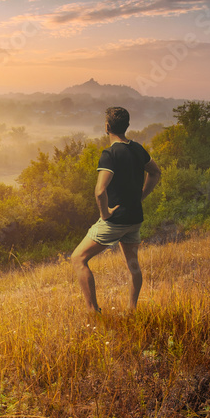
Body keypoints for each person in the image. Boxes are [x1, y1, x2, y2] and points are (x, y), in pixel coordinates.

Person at [71, 106, 161, 313]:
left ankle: (93, 311)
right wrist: (141, 196)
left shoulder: (110, 154)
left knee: (78, 258)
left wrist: (105, 214)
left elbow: (100, 191)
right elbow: (155, 173)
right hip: (135, 218)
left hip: (116, 219)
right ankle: (132, 309)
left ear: (107, 127)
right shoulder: (137, 148)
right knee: (133, 265)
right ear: (127, 126)